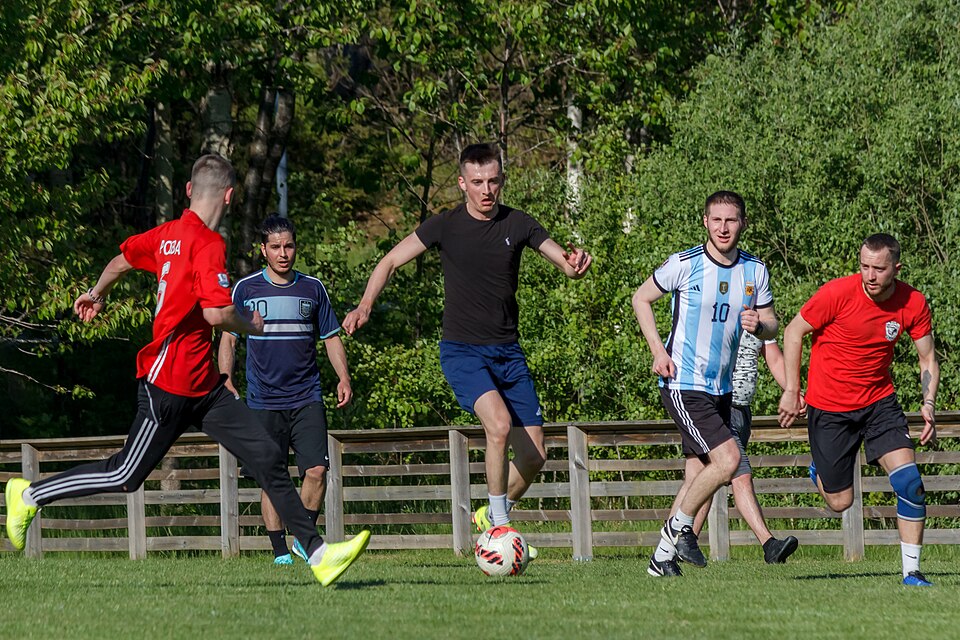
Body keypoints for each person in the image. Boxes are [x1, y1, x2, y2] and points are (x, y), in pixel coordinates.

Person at [4, 154, 369, 587]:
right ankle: (28, 494)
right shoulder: (208, 243)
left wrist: (96, 292)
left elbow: (122, 259)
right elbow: (217, 313)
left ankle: (318, 553)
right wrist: (249, 322)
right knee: (126, 475)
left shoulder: (166, 235)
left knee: (267, 456)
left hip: (206, 388)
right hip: (169, 383)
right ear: (230, 196)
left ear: (190, 190)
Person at [342, 143, 591, 555]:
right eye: (477, 182)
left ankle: (490, 513)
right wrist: (365, 304)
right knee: (496, 425)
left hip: (508, 354)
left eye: (493, 181)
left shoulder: (520, 223)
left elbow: (563, 262)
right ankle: (500, 530)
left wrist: (576, 263)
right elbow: (388, 261)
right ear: (462, 184)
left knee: (535, 457)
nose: (486, 189)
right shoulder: (445, 226)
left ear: (502, 180)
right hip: (462, 351)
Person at [778, 233, 938, 587]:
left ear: (896, 268)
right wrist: (792, 389)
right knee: (840, 503)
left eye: (879, 269)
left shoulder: (912, 302)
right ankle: (820, 467)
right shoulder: (836, 293)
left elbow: (927, 357)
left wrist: (928, 404)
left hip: (879, 402)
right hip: (830, 408)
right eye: (864, 266)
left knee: (910, 483)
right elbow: (793, 332)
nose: (870, 275)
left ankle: (912, 572)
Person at [632, 190, 778, 577]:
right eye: (716, 220)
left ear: (742, 223)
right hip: (684, 382)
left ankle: (662, 558)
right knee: (728, 461)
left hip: (722, 389)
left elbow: (772, 324)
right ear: (705, 222)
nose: (723, 227)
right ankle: (677, 532)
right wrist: (657, 351)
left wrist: (760, 326)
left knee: (699, 474)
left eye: (731, 220)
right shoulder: (685, 264)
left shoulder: (755, 270)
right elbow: (640, 299)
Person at [219, 214, 352, 566]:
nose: (283, 253)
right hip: (263, 400)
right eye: (275, 247)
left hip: (307, 396)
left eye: (289, 246)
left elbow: (331, 338)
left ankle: (303, 542)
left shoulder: (313, 289)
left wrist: (344, 377)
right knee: (271, 478)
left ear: (295, 248)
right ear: (264, 250)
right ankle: (280, 551)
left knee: (317, 472)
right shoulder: (246, 289)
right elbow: (228, 340)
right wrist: (225, 376)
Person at [691, 333, 800, 564]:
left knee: (707, 480)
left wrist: (793, 391)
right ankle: (769, 545)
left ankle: (680, 545)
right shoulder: (720, 305)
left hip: (742, 411)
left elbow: (775, 359)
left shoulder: (761, 318)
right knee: (741, 474)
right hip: (717, 406)